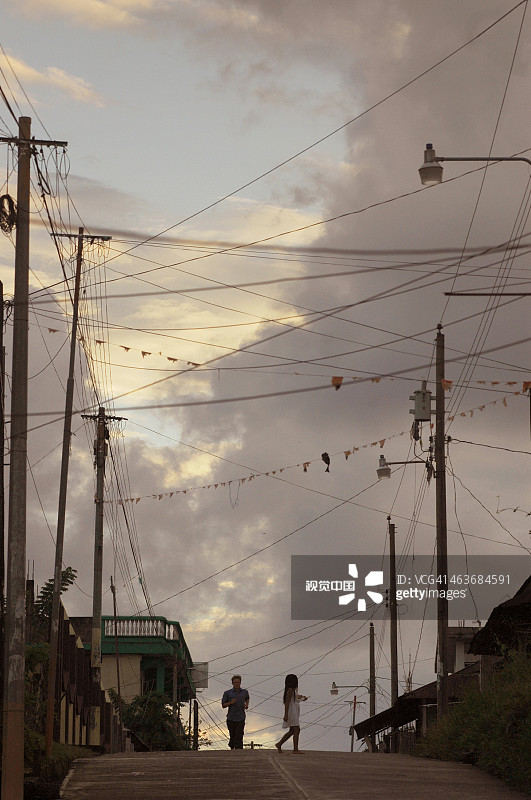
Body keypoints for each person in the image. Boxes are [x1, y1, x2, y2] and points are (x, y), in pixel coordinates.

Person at [275, 673, 307, 753]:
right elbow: (287, 703)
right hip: (291, 712)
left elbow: (296, 698)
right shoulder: (290, 690)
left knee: (292, 731)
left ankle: (279, 744)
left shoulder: (292, 690)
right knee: (296, 729)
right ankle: (295, 749)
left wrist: (303, 698)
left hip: (293, 711)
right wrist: (285, 715)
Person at [221, 674, 250, 749]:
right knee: (233, 735)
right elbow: (223, 705)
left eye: (238, 682)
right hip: (231, 718)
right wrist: (230, 702)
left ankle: (239, 750)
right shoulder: (227, 693)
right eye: (235, 682)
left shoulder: (244, 692)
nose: (236, 684)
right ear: (232, 683)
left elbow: (247, 698)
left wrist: (246, 705)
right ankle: (232, 746)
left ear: (240, 683)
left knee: (239, 734)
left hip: (241, 717)